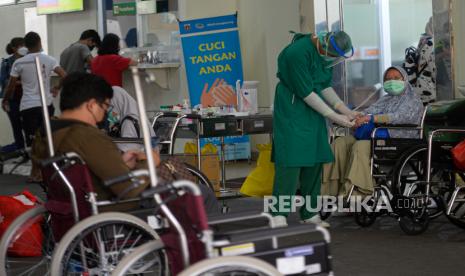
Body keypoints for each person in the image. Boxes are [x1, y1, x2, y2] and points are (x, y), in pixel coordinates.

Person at [33, 72, 219, 213]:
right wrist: (149, 164)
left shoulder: (48, 133)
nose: (103, 115)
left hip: (75, 206)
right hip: (114, 207)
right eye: (104, 107)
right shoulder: (88, 137)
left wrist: (122, 164)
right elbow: (128, 190)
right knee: (200, 193)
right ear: (91, 105)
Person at [271, 31, 357, 227]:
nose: (332, 60)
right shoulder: (296, 53)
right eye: (332, 56)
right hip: (293, 108)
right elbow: (306, 93)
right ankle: (278, 213)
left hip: (314, 113)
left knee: (315, 162)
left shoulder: (323, 54)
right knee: (290, 162)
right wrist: (336, 118)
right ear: (324, 46)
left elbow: (324, 87)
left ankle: (309, 213)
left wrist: (345, 110)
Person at [322, 66, 424, 197]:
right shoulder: (385, 99)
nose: (391, 81)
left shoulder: (413, 100)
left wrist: (372, 118)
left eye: (396, 78)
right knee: (339, 144)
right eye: (387, 79)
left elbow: (400, 116)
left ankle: (358, 192)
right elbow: (370, 111)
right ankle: (332, 190)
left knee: (361, 147)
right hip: (377, 138)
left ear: (405, 79)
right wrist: (356, 118)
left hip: (398, 142)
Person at [1, 32, 67, 146]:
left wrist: (5, 100)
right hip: (46, 104)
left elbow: (10, 86)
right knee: (48, 138)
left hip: (28, 105)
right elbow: (65, 76)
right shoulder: (49, 59)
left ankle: (35, 161)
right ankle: (49, 161)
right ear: (40, 42)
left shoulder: (19, 62)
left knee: (32, 141)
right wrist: (57, 87)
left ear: (26, 46)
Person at [109, 85, 156, 152]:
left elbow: (128, 151)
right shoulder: (137, 114)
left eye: (110, 106)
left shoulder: (129, 121)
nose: (109, 110)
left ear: (118, 103)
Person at [403, 17, 436, 105]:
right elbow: (434, 71)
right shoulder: (432, 44)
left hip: (417, 88)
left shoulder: (423, 40)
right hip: (428, 91)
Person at [0, 38, 26, 152]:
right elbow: (4, 81)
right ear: (14, 48)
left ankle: (32, 151)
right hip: (12, 99)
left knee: (29, 127)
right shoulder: (6, 63)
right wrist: (19, 82)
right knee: (16, 126)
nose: (24, 48)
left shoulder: (28, 60)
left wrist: (16, 81)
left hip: (27, 98)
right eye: (21, 45)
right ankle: (21, 151)